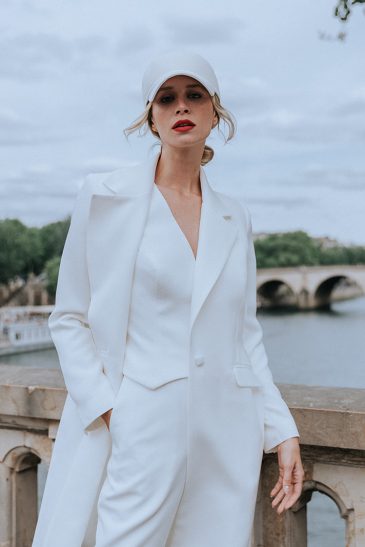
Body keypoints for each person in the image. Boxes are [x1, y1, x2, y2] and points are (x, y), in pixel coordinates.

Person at [32, 49, 304, 547]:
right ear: (151, 118)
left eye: (194, 96)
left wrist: (281, 429)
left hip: (226, 435)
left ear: (215, 112)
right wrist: (114, 413)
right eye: (167, 98)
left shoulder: (234, 216)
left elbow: (245, 336)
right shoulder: (104, 197)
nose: (182, 107)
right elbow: (69, 317)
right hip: (141, 430)